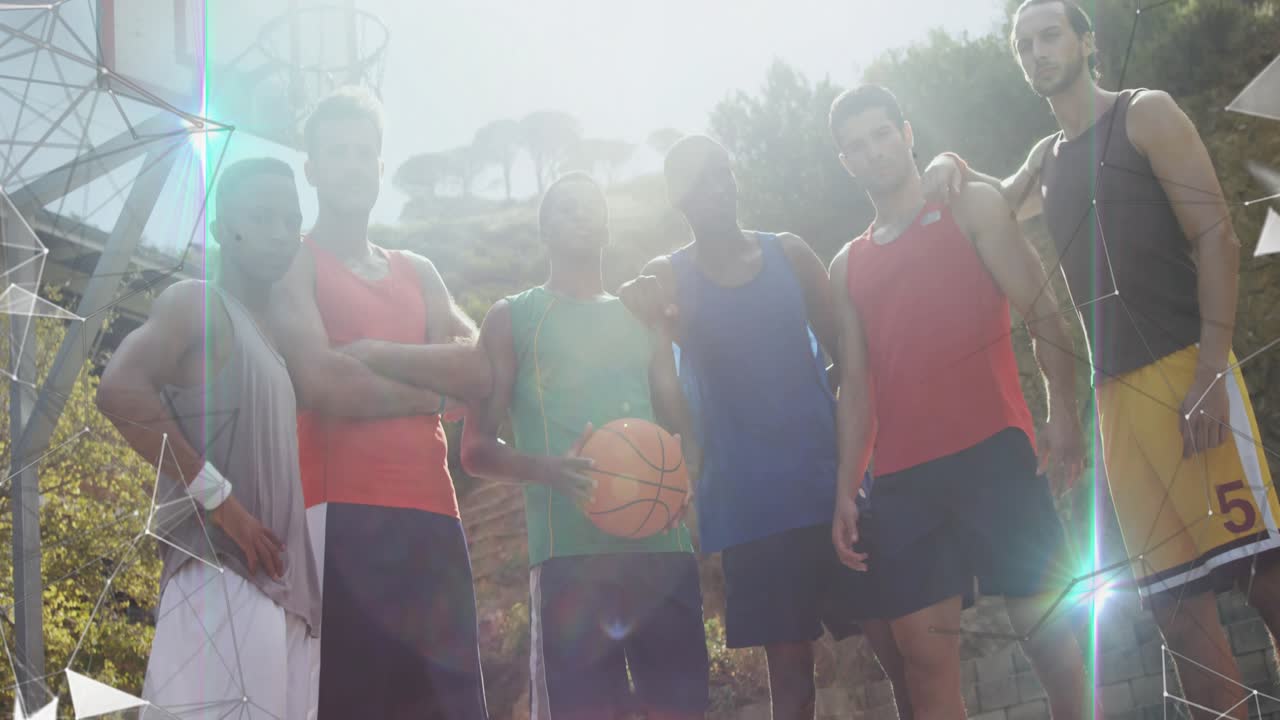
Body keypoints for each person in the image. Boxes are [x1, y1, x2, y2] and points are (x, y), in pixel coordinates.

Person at [923, 2, 1280, 717]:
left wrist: (1211, 372)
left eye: (1049, 34)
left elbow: (1218, 238)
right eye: (1022, 43)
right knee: (1179, 620)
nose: (1035, 51)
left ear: (1087, 42)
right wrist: (943, 163)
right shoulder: (1044, 159)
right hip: (1116, 404)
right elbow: (986, 204)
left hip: (1191, 373)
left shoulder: (1145, 113)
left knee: (1266, 583)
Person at [619, 135, 909, 720]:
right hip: (751, 508)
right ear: (679, 198)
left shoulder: (791, 255)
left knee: (899, 653)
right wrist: (651, 330)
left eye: (724, 173)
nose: (719, 188)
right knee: (792, 684)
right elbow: (667, 406)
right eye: (701, 181)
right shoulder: (667, 277)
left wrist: (838, 449)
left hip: (831, 488)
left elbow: (848, 362)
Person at [827, 85, 1090, 719]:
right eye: (856, 145)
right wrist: (844, 487)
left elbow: (1042, 310)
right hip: (902, 479)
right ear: (846, 163)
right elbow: (857, 387)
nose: (873, 151)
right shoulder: (847, 265)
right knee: (922, 653)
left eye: (882, 134)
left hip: (994, 451)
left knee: (1050, 632)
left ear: (907, 133)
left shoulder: (969, 205)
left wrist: (1063, 414)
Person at [267, 87, 491, 719]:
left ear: (381, 168)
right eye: (336, 153)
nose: (352, 164)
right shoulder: (295, 265)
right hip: (337, 515)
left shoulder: (418, 269)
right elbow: (324, 385)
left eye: (364, 153)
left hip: (433, 514)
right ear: (311, 169)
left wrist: (372, 352)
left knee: (450, 707)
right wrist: (433, 394)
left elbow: (479, 369)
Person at [459, 172, 709, 720]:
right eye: (568, 208)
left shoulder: (637, 313)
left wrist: (685, 469)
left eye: (593, 206)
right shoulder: (513, 316)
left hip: (662, 554)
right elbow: (475, 449)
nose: (583, 215)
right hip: (570, 560)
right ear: (545, 228)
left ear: (607, 225)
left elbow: (677, 415)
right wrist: (548, 469)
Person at [97, 158, 321, 719]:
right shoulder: (197, 302)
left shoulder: (269, 344)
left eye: (289, 220)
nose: (277, 232)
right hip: (220, 579)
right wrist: (223, 502)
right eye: (260, 216)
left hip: (283, 600)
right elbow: (118, 390)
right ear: (222, 228)